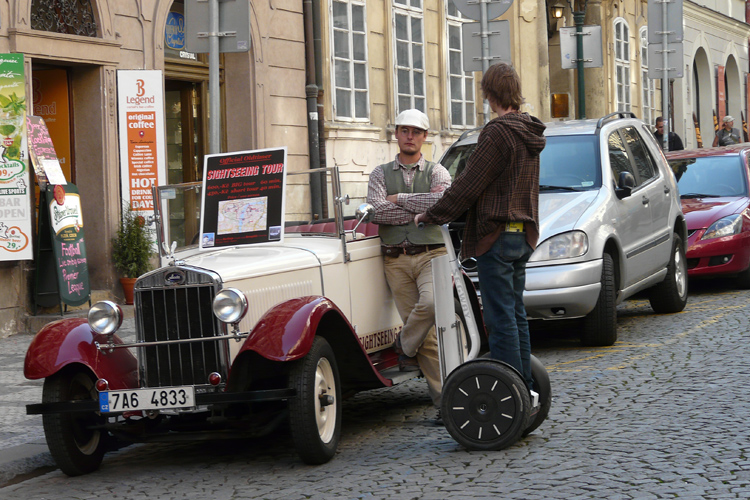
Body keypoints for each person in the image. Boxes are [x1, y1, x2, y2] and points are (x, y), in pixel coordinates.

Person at [414, 63, 546, 394]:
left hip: (496, 236)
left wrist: (432, 214)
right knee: (515, 315)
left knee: (500, 320)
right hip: (523, 234)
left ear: (490, 94)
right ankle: (526, 387)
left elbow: (469, 184)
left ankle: (510, 393)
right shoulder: (530, 132)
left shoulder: (497, 132)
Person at [366, 108, 450, 410]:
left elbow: (443, 202)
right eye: (404, 130)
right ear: (397, 134)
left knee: (429, 305)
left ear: (425, 137)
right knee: (428, 338)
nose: (410, 136)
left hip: (431, 254)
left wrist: (399, 199)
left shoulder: (437, 172)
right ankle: (446, 404)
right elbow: (376, 211)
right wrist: (420, 212)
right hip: (395, 259)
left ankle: (404, 344)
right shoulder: (379, 173)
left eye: (416, 131)